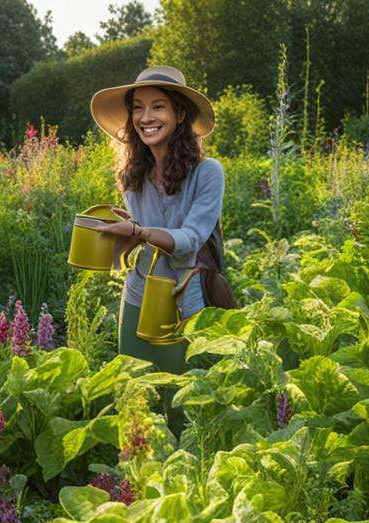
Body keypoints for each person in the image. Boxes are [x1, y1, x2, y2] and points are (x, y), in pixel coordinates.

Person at [85, 65, 224, 437]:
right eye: (138, 108)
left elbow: (190, 240)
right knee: (136, 404)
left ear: (180, 114)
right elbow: (137, 243)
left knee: (186, 411)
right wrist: (120, 238)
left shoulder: (208, 173)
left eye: (158, 106)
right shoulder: (133, 175)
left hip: (186, 304)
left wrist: (140, 231)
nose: (146, 117)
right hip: (137, 296)